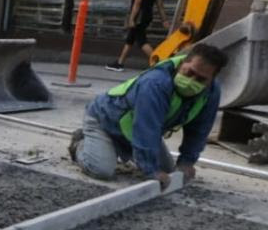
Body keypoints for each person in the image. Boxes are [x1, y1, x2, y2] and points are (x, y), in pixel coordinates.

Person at [69, 43, 228, 189]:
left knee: (169, 172)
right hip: (105, 122)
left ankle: (113, 150)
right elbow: (146, 128)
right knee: (101, 170)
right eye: (190, 73)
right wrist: (151, 170)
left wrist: (187, 162)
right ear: (181, 64)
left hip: (133, 129)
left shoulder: (211, 92)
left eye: (201, 79)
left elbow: (199, 130)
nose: (192, 81)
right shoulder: (155, 83)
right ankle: (80, 144)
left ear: (211, 80)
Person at [106, 0, 168, 71]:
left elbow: (137, 2)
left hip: (138, 16)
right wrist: (164, 20)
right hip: (147, 16)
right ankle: (120, 63)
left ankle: (159, 62)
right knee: (131, 38)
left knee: (141, 40)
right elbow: (160, 5)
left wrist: (132, 18)